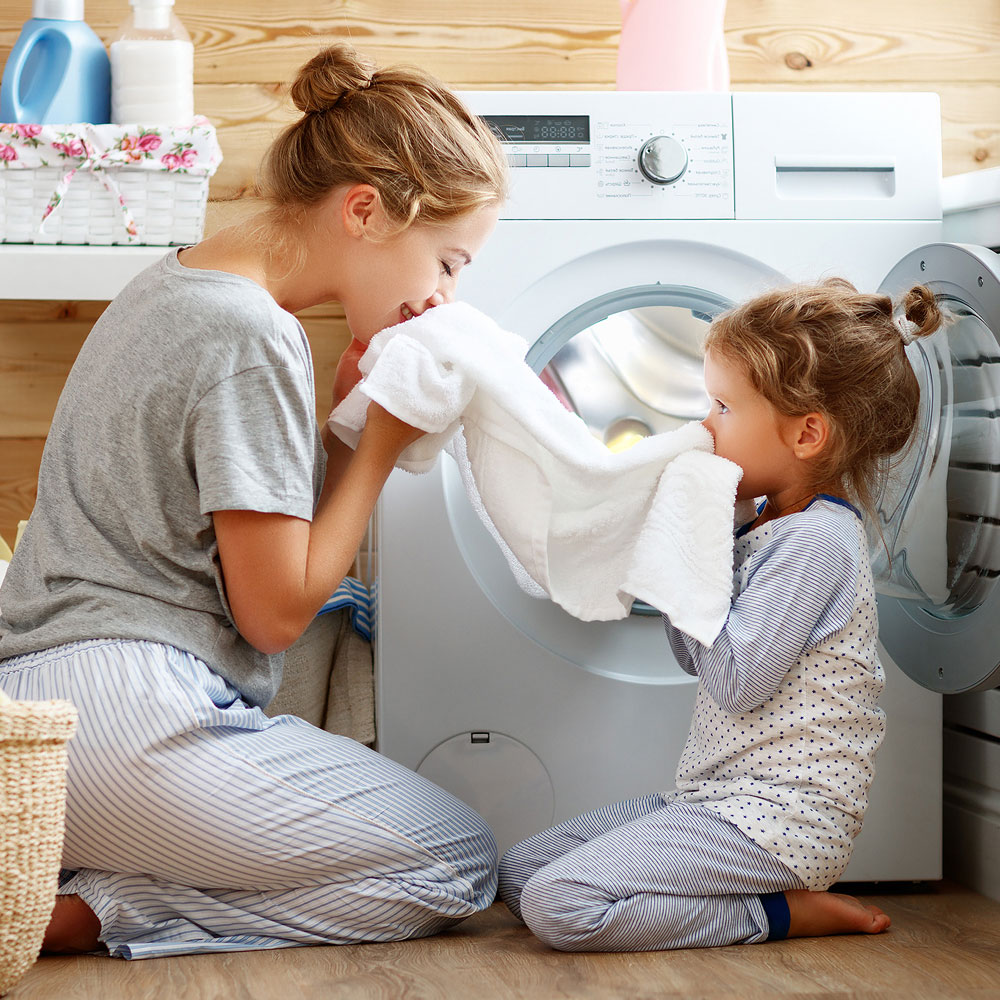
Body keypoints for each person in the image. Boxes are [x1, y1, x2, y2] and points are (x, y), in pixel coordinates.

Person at [0, 43, 507, 958]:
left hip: (36, 725)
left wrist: (342, 434)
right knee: (460, 858)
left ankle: (71, 884)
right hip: (129, 718)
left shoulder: (173, 283)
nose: (442, 296)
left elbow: (221, 531)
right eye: (448, 260)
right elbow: (272, 611)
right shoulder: (253, 333)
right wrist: (383, 445)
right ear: (365, 211)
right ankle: (78, 915)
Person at [497, 278, 943, 951]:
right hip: (716, 803)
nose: (706, 424)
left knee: (559, 904)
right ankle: (750, 896)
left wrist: (696, 553)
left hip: (782, 820)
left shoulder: (816, 543)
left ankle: (782, 913)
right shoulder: (763, 522)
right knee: (520, 872)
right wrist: (693, 534)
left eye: (725, 406)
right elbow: (693, 657)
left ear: (807, 434)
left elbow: (735, 681)